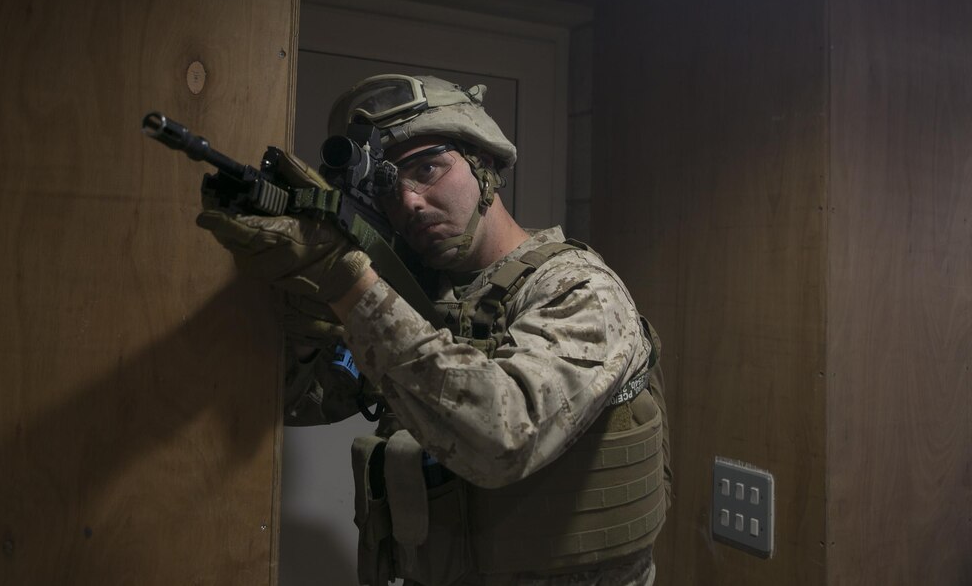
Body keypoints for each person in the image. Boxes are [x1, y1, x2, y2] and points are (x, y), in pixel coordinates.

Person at [197, 74, 671, 586]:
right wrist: (304, 307)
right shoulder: (425, 296)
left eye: (427, 168)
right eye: (388, 187)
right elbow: (300, 401)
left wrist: (349, 284)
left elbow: (504, 436)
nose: (410, 201)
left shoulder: (580, 289)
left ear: (484, 166)